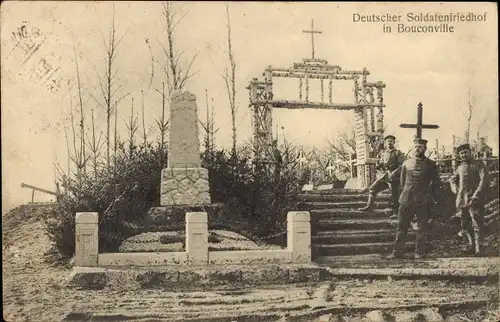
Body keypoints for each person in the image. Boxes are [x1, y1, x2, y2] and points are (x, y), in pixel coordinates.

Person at [387, 138, 441, 259]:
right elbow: (402, 181)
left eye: (420, 146)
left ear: (425, 149)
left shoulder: (431, 164)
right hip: (407, 199)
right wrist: (406, 194)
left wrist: (431, 198)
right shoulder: (406, 163)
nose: (417, 148)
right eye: (415, 146)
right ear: (412, 148)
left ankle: (419, 252)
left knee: (422, 228)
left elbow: (436, 183)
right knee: (401, 226)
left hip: (423, 200)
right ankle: (397, 252)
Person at [449, 143, 489, 256]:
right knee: (465, 224)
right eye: (461, 153)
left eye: (465, 152)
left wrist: (476, 195)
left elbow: (484, 180)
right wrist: (455, 188)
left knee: (477, 223)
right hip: (462, 200)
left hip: (475, 199)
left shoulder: (479, 164)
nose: (463, 155)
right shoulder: (460, 167)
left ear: (470, 152)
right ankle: (471, 246)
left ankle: (479, 248)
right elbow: (453, 179)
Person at [361, 135, 406, 218]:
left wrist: (394, 173)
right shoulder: (383, 153)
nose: (389, 142)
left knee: (394, 195)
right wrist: (379, 164)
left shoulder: (397, 153)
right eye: (388, 141)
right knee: (372, 188)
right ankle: (369, 207)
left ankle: (397, 212)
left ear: (394, 143)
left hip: (393, 177)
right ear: (385, 143)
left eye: (391, 141)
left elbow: (401, 165)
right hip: (384, 176)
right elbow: (380, 165)